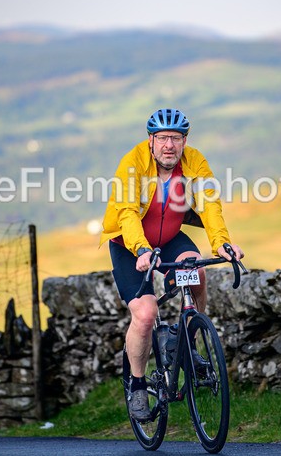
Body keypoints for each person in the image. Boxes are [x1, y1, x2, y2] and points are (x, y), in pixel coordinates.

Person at [100, 108, 244, 422]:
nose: (169, 145)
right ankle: (137, 385)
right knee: (147, 313)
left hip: (170, 238)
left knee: (197, 271)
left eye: (176, 138)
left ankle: (185, 342)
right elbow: (125, 212)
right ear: (150, 141)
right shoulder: (133, 163)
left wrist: (221, 242)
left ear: (184, 141)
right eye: (163, 138)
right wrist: (141, 249)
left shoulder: (195, 161)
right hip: (128, 245)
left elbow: (209, 203)